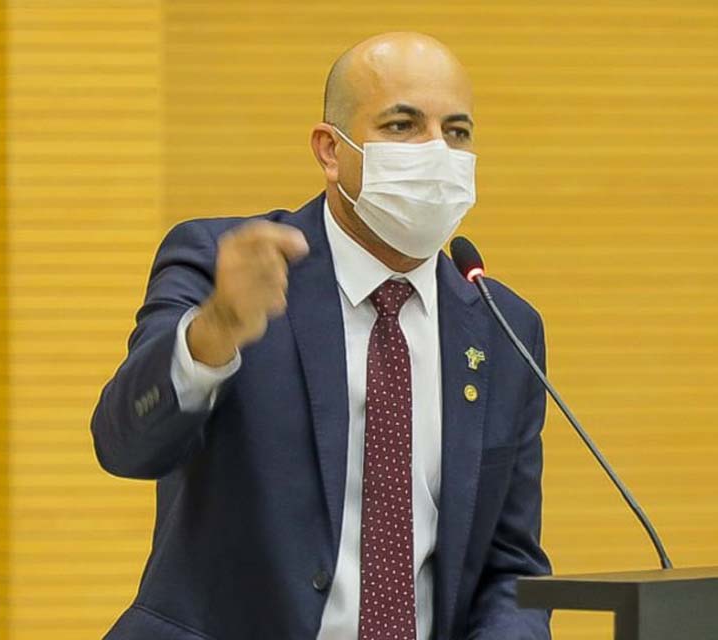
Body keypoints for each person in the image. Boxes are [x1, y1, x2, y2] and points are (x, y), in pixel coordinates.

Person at [92, 31, 552, 640]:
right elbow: (123, 445)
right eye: (402, 126)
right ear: (330, 150)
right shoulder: (224, 266)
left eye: (457, 132)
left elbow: (511, 568)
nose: (436, 152)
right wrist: (215, 330)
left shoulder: (503, 328)